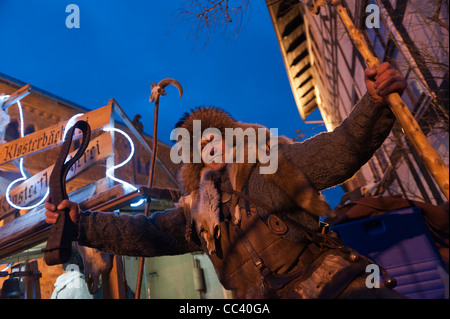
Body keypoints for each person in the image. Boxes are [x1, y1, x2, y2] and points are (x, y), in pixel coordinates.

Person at [46, 63, 407, 298]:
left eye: (214, 137)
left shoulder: (270, 164)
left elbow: (338, 150)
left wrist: (373, 103)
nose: (209, 147)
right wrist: (83, 224)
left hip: (332, 287)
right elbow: (143, 233)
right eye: (200, 145)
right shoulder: (197, 212)